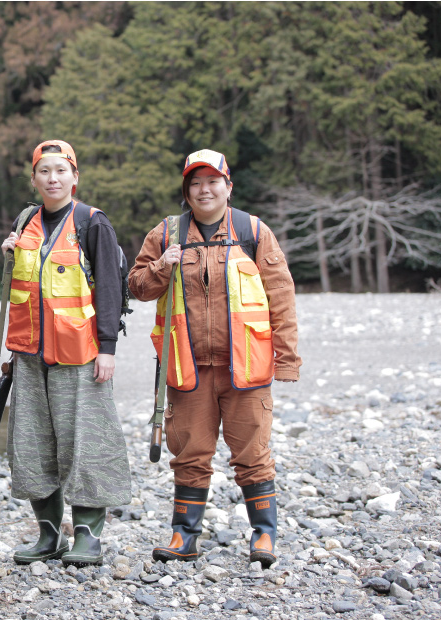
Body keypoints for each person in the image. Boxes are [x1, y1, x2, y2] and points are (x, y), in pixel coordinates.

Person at [128, 149, 301, 568]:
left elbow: (281, 297)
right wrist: (161, 268)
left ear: (228, 186)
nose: (203, 190)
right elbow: (135, 287)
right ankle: (184, 536)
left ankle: (264, 536)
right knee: (190, 452)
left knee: (252, 452)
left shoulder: (253, 231)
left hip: (246, 366)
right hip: (187, 366)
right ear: (186, 190)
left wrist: (287, 360)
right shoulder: (166, 233)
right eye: (194, 183)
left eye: (212, 181)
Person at [0, 140, 132, 567]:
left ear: (75, 176)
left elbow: (111, 289)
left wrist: (108, 349)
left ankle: (89, 535)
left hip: (81, 355)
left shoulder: (93, 222)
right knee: (34, 445)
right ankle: (48, 534)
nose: (52, 179)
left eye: (61, 171)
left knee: (87, 444)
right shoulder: (26, 222)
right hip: (30, 356)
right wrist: (11, 252)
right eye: (44, 171)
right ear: (34, 178)